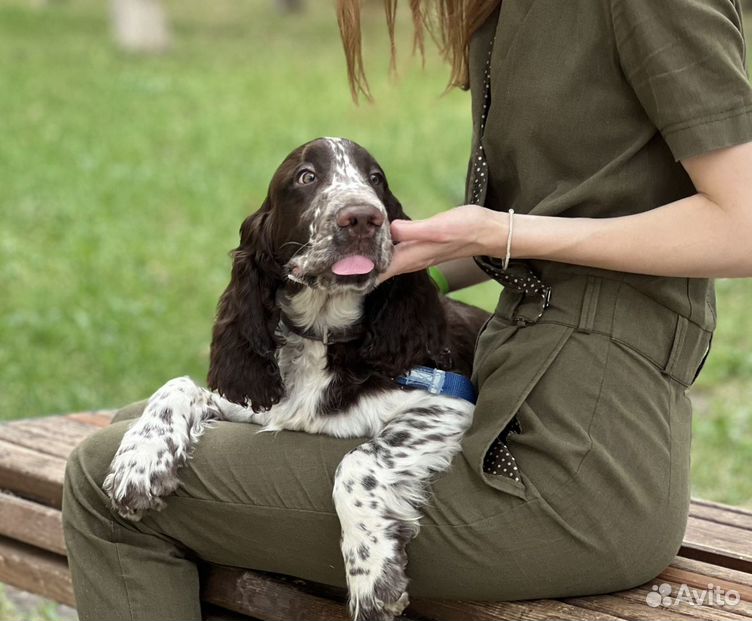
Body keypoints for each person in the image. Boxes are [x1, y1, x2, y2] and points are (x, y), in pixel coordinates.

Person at [62, 0, 752, 619]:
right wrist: (400, 257)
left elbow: (742, 223)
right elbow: (579, 205)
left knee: (102, 477)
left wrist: (498, 233)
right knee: (142, 430)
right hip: (508, 408)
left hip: (576, 467)